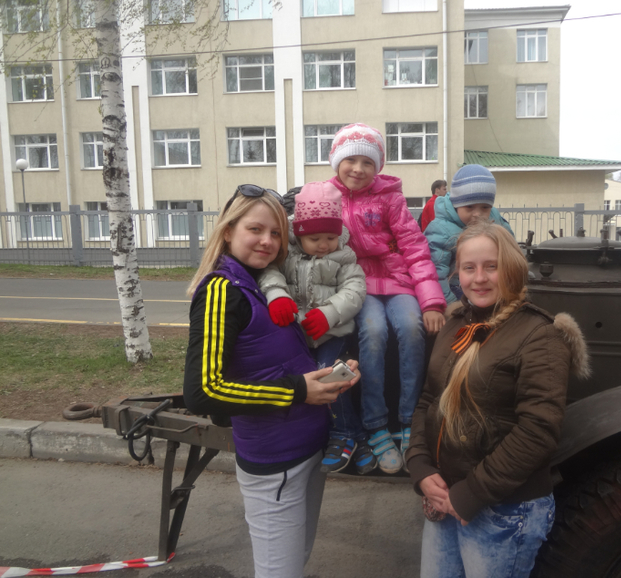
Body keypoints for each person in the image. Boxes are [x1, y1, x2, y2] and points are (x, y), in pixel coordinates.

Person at [183, 184, 361, 578]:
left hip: (309, 449)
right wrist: (300, 390)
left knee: (296, 561)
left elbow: (282, 359)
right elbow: (202, 391)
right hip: (275, 461)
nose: (268, 241)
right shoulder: (222, 290)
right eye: (256, 229)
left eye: (277, 233)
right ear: (228, 231)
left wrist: (331, 376)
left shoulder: (266, 282)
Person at [406, 221, 589, 578]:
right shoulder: (454, 324)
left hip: (503, 510)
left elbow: (537, 431)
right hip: (446, 495)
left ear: (512, 269)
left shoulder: (540, 335)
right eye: (469, 268)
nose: (479, 278)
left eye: (492, 266)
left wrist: (471, 493)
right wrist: (420, 466)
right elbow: (428, 400)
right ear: (457, 273)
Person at [326, 122, 447, 474]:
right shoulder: (328, 197)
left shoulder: (390, 199)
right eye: (351, 160)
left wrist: (431, 302)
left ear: (378, 167)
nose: (358, 169)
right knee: (374, 332)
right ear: (336, 162)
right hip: (357, 284)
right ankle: (376, 423)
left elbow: (414, 247)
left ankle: (409, 421)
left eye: (368, 162)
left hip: (398, 281)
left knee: (411, 327)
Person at [258, 181, 374, 475]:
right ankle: (357, 438)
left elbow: (355, 289)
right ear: (298, 234)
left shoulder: (343, 256)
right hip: (297, 334)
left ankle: (343, 435)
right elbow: (270, 272)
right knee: (303, 380)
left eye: (331, 237)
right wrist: (277, 295)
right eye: (315, 238)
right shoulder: (286, 254)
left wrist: (329, 313)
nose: (324, 245)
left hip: (332, 333)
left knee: (331, 375)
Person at [425, 164, 515, 307]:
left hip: (491, 283)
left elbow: (511, 251)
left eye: (485, 207)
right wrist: (451, 304)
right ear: (456, 205)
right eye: (469, 207)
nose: (478, 214)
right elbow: (435, 273)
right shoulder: (441, 230)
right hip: (456, 289)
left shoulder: (496, 221)